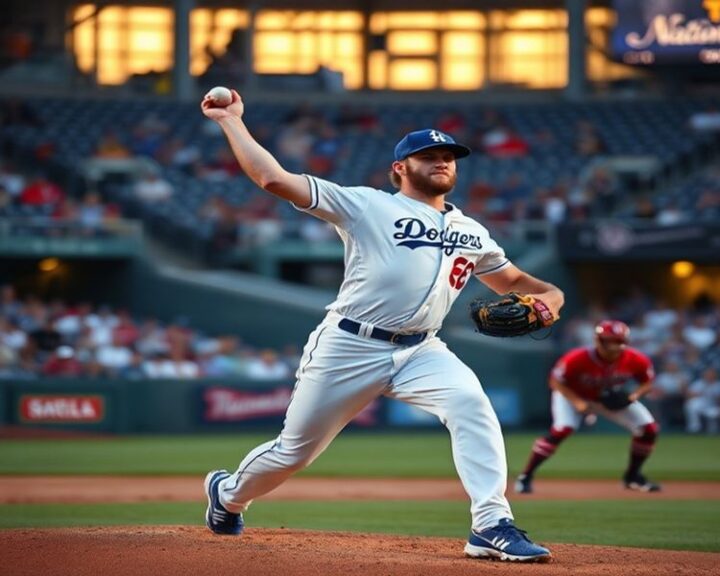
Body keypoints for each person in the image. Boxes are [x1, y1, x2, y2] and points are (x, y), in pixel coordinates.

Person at [200, 90, 565, 563]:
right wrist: (231, 121)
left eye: (448, 157)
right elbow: (273, 178)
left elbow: (513, 280)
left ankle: (490, 524)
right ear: (400, 168)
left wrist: (553, 297)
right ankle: (228, 493)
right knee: (295, 453)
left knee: (472, 405)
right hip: (350, 344)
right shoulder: (365, 206)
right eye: (428, 156)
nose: (441, 162)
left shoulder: (472, 231)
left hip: (421, 350)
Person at [514, 320, 661, 494]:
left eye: (617, 341)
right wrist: (577, 402)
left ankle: (633, 477)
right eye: (608, 341)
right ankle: (525, 477)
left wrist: (632, 396)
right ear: (598, 340)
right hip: (572, 396)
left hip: (607, 399)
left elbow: (647, 382)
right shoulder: (578, 357)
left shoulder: (636, 359)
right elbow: (555, 381)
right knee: (562, 430)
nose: (613, 346)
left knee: (649, 429)